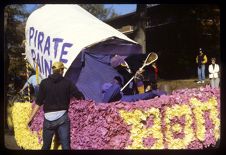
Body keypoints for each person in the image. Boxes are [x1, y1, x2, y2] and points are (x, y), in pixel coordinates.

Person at [27, 61, 84, 150]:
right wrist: (81, 96)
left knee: (46, 146)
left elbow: (38, 102)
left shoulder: (44, 83)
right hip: (62, 118)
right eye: (63, 70)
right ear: (61, 70)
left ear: (53, 70)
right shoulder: (67, 82)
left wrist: (30, 118)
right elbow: (79, 96)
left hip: (48, 119)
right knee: (66, 146)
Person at [102, 76, 166, 103]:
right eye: (114, 81)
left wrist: (152, 93)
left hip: (119, 99)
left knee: (139, 97)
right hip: (110, 101)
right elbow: (114, 88)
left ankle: (153, 93)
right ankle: (153, 93)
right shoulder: (108, 87)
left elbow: (137, 97)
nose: (115, 82)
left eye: (117, 81)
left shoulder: (121, 97)